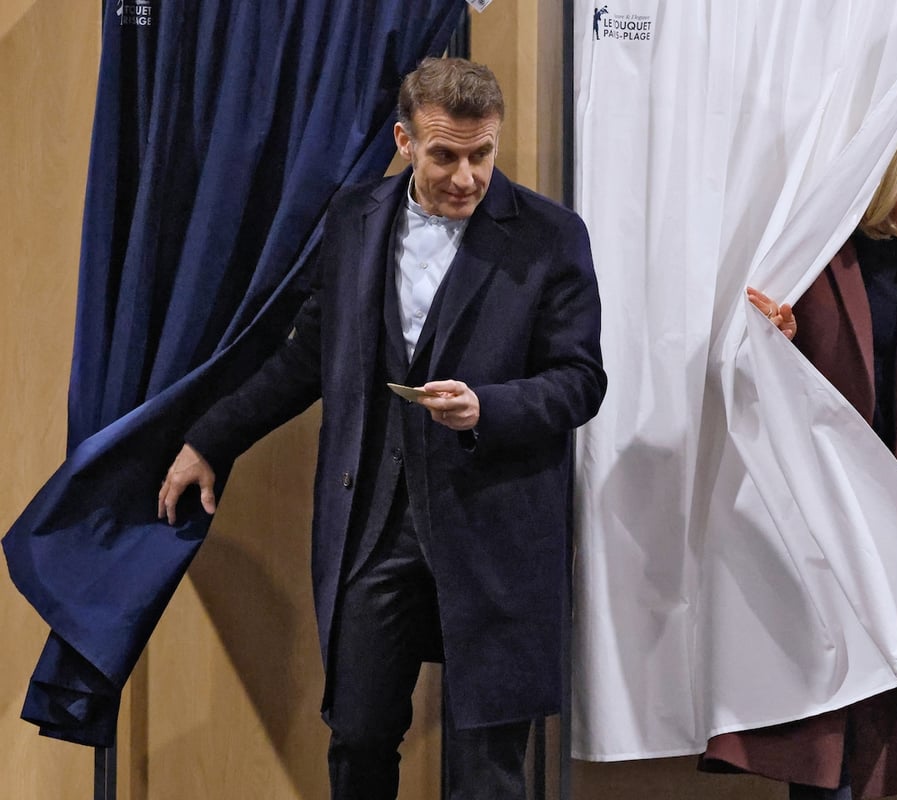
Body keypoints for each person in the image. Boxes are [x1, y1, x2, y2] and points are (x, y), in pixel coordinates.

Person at [156, 57, 606, 800]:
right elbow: (308, 357)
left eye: (482, 154)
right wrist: (212, 438)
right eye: (445, 155)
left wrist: (488, 407)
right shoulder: (353, 219)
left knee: (487, 771)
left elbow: (581, 380)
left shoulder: (552, 236)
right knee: (359, 738)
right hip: (373, 524)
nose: (466, 176)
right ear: (404, 141)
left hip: (495, 531)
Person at [700, 93, 897, 799]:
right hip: (815, 501)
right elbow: (751, 363)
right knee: (817, 715)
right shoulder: (813, 251)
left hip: (896, 509)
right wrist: (777, 342)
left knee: (872, 715)